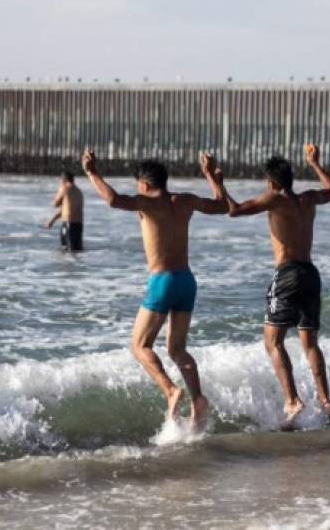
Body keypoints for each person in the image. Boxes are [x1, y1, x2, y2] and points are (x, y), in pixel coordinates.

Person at [81, 149, 226, 430]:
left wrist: (91, 172)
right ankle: (198, 399)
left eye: (139, 186)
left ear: (145, 185)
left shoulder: (146, 203)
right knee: (178, 349)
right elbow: (222, 206)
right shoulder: (184, 201)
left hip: (163, 281)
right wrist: (211, 175)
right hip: (187, 281)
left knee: (139, 345)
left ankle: (171, 391)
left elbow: (112, 199)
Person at [221, 144, 330, 423]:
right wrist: (314, 163)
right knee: (310, 342)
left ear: (271, 182)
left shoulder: (275, 200)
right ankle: (324, 400)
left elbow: (234, 210)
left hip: (287, 275)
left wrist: (217, 181)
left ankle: (292, 400)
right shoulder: (308, 199)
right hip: (311, 274)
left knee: (273, 341)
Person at [45, 170, 84, 251]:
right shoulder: (79, 192)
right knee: (77, 250)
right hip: (79, 225)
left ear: (64, 180)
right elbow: (66, 209)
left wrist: (59, 191)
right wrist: (52, 220)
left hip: (68, 225)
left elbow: (55, 204)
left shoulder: (65, 188)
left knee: (66, 250)